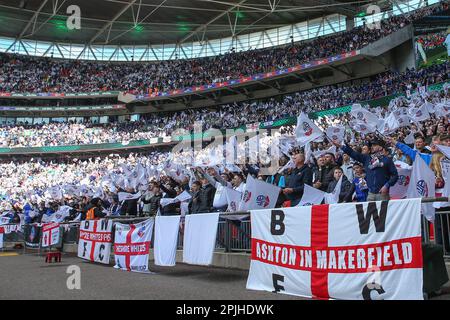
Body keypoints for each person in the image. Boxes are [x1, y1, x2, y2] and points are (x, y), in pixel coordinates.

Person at [333, 138, 398, 201]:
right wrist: (340, 146)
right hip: (370, 194)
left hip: (382, 194)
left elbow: (395, 175)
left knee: (383, 212)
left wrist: (387, 185)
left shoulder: (387, 160)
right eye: (371, 145)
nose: (372, 147)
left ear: (380, 147)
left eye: (374, 145)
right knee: (370, 212)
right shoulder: (367, 158)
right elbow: (353, 153)